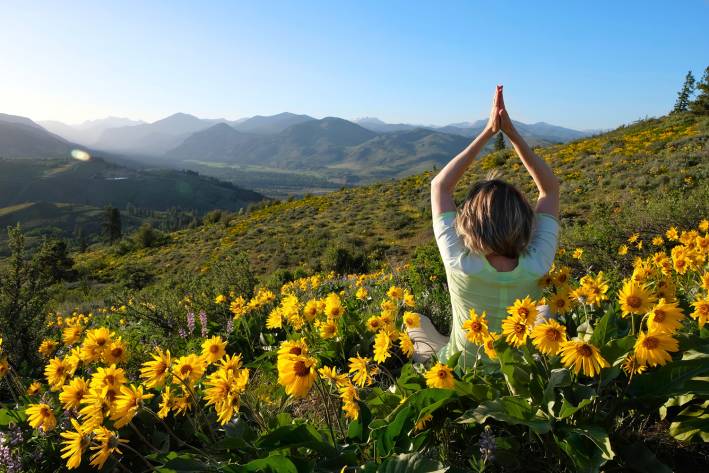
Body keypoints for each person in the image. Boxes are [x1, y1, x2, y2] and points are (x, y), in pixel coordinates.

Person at [410, 85, 560, 363]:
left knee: (416, 323)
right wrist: (512, 134)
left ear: (469, 222)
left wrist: (489, 131)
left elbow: (439, 186)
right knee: (545, 314)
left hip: (461, 374)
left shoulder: (459, 261)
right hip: (520, 375)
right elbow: (549, 191)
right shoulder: (537, 263)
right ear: (525, 219)